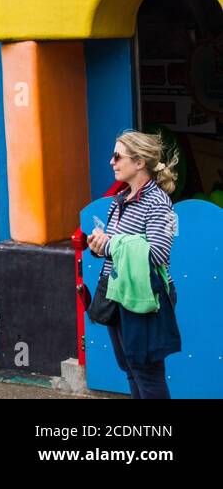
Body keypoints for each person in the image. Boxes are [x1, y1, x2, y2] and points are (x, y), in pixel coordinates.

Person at [86, 130, 181, 400]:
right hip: (116, 292)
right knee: (130, 368)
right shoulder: (120, 201)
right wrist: (98, 247)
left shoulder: (159, 203)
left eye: (118, 156)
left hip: (145, 295)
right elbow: (118, 250)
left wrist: (111, 244)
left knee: (147, 372)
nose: (111, 162)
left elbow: (158, 254)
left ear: (139, 162)